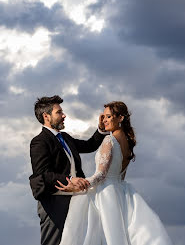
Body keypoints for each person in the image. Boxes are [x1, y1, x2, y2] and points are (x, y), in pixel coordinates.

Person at [56, 101, 173, 245]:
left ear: (120, 118)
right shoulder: (128, 143)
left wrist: (80, 185)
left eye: (108, 116)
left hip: (104, 194)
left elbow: (101, 175)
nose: (104, 120)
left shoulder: (109, 140)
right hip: (121, 193)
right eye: (103, 117)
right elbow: (120, 175)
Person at [29, 95, 108, 245]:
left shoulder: (65, 137)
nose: (64, 115)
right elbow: (43, 174)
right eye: (59, 112)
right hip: (54, 201)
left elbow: (89, 145)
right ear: (46, 116)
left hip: (75, 199)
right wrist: (70, 180)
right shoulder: (39, 142)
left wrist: (101, 130)